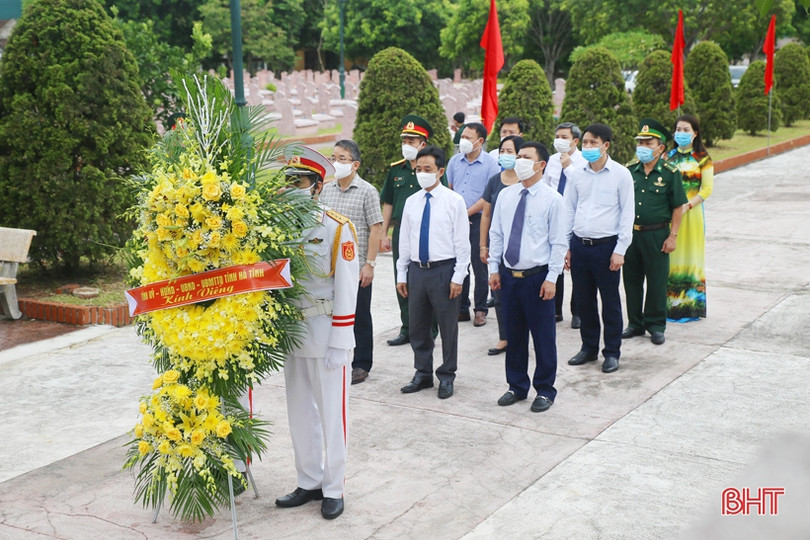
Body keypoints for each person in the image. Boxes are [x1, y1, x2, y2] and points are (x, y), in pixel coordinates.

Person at [275, 145, 359, 520]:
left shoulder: (337, 228)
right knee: (299, 412)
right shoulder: (274, 226)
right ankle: (308, 479)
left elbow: (347, 287)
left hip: (327, 332)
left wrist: (342, 339)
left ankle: (334, 486)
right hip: (293, 332)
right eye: (288, 180)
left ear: (317, 187)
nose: (293, 186)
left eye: (301, 180)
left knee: (332, 414)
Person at [488, 142, 567, 413]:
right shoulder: (506, 196)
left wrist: (552, 278)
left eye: (525, 157)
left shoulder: (552, 199)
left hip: (538, 278)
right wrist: (493, 269)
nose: (518, 160)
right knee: (515, 335)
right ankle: (516, 385)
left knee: (543, 337)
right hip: (509, 276)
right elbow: (496, 234)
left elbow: (559, 242)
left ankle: (545, 389)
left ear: (541, 165)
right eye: (517, 156)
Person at [396, 145, 470, 399]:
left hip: (444, 270)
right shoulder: (411, 202)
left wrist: (458, 276)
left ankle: (447, 374)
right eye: (418, 169)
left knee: (447, 326)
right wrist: (401, 274)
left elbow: (462, 243)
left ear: (440, 171)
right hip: (418, 271)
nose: (422, 173)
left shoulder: (454, 201)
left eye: (428, 169)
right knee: (418, 326)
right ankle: (423, 372)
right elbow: (404, 240)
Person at [564, 124, 634, 374]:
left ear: (606, 146)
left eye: (594, 143)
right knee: (584, 301)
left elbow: (627, 213)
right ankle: (588, 347)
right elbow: (569, 208)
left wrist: (620, 250)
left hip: (607, 248)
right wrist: (566, 245)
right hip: (580, 245)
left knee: (610, 302)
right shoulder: (576, 174)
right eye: (585, 143)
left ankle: (612, 352)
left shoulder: (621, 174)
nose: (588, 147)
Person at [320, 140, 383, 385]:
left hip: (357, 268)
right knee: (331, 312)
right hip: (330, 267)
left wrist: (370, 264)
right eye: (334, 157)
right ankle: (336, 355)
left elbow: (375, 229)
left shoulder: (367, 191)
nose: (336, 162)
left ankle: (361, 364)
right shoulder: (326, 190)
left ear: (355, 164)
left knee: (359, 316)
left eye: (342, 159)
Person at [379, 115, 446, 346]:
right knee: (402, 278)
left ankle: (431, 329)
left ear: (423, 144)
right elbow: (388, 202)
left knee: (428, 282)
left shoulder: (431, 170)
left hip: (427, 231)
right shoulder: (396, 170)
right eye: (404, 140)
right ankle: (407, 328)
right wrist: (384, 233)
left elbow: (443, 200)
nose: (406, 144)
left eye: (412, 140)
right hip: (401, 233)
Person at [622, 119, 688, 345]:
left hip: (657, 234)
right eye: (640, 142)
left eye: (648, 143)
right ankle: (635, 323)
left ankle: (656, 325)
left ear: (660, 148)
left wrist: (673, 235)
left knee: (657, 282)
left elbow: (678, 206)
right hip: (631, 235)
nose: (642, 146)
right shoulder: (630, 170)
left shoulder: (671, 172)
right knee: (631, 280)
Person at [446, 122, 500, 326]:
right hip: (456, 220)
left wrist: (465, 213)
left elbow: (488, 197)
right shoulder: (454, 161)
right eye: (462, 137)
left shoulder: (490, 164)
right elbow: (449, 188)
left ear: (480, 141)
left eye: (469, 138)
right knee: (460, 262)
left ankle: (480, 309)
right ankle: (462, 307)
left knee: (480, 264)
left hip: (479, 219)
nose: (464, 141)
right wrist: (455, 215)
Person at [480, 135, 524, 356]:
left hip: (521, 247)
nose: (505, 155)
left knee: (521, 296)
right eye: (502, 151)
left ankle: (522, 336)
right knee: (498, 294)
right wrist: (483, 245)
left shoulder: (525, 181)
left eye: (510, 151)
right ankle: (504, 337)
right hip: (498, 245)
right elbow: (486, 214)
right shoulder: (495, 181)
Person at [667, 114, 713, 321]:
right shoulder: (667, 157)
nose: (681, 133)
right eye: (678, 130)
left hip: (692, 216)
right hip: (669, 216)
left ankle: (691, 307)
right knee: (670, 259)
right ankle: (670, 305)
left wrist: (687, 206)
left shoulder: (703, 158)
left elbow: (707, 189)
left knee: (691, 257)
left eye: (686, 130)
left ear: (695, 134)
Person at [542, 122, 585, 328]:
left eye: (564, 137)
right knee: (554, 263)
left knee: (576, 266)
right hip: (552, 216)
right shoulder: (550, 160)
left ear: (575, 141)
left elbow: (580, 184)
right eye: (557, 135)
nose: (559, 140)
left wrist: (568, 165)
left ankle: (577, 311)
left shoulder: (584, 161)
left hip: (574, 217)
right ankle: (555, 309)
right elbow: (546, 184)